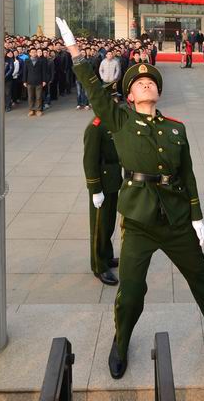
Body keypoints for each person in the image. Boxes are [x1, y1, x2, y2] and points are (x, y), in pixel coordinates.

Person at [59, 17, 204, 380]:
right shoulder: (120, 120)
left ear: (158, 92)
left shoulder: (176, 128)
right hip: (139, 219)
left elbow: (187, 173)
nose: (146, 84)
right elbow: (95, 90)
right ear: (130, 96)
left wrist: (196, 215)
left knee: (199, 271)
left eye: (151, 82)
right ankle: (121, 340)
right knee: (131, 289)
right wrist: (75, 52)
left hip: (175, 216)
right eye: (138, 83)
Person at [84, 97, 123, 286]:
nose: (115, 104)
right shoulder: (95, 127)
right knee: (99, 227)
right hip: (102, 183)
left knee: (108, 224)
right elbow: (89, 161)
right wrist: (95, 189)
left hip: (113, 180)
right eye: (111, 100)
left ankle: (107, 256)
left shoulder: (111, 123)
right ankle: (98, 266)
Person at [23, 47, 48, 116]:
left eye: (35, 52)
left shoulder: (41, 60)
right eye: (32, 52)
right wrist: (24, 81)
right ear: (30, 53)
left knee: (39, 96)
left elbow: (44, 71)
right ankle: (31, 110)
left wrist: (44, 80)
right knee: (30, 97)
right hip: (29, 81)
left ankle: (38, 110)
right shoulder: (27, 61)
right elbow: (25, 71)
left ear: (37, 53)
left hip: (39, 81)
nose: (34, 53)